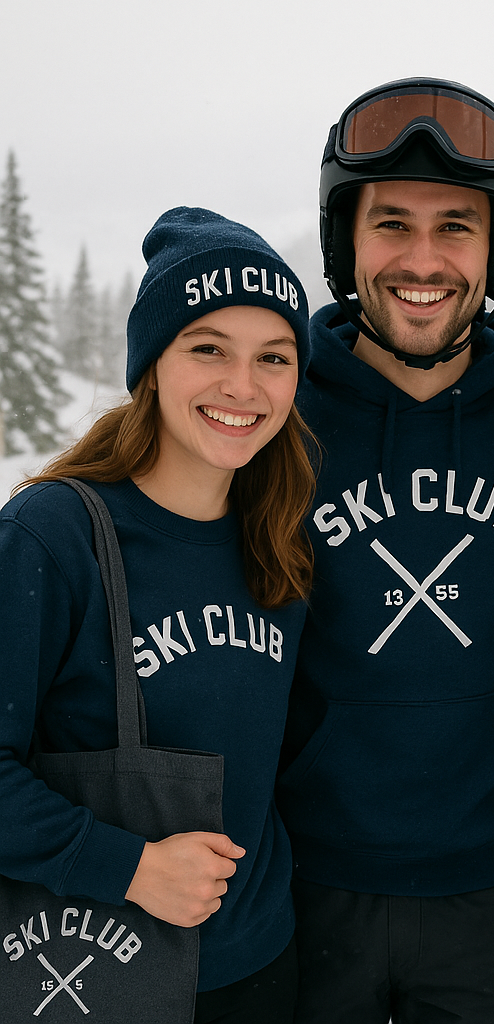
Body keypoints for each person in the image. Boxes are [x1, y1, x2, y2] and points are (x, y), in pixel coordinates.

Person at [275, 78, 494, 1023]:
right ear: (344, 244)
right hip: (305, 881)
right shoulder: (271, 420)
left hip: (489, 891)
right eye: (391, 223)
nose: (423, 259)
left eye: (458, 227)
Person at [0, 207, 314, 1023]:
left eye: (273, 358)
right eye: (207, 348)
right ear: (151, 364)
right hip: (95, 969)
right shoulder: (53, 535)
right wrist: (126, 867)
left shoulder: (278, 542)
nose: (242, 387)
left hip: (258, 967)